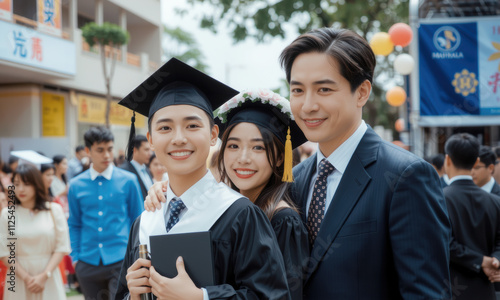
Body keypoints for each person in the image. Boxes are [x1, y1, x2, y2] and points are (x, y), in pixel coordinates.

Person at [279, 27, 451, 299]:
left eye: (324, 89)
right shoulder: (294, 179)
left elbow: (425, 293)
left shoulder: (405, 176)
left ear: (361, 92)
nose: (307, 105)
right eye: (297, 90)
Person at [115, 58, 290, 300]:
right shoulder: (144, 222)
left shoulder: (240, 216)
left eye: (192, 126)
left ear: (213, 134)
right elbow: (123, 293)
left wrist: (202, 297)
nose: (178, 138)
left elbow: (271, 296)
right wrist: (131, 297)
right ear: (151, 140)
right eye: (165, 128)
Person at [145, 89, 310, 299]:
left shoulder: (282, 220)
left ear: (280, 158)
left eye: (258, 148)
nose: (243, 158)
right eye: (233, 145)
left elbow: (281, 293)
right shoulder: (224, 208)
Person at [68, 127, 144, 300]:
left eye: (110, 149)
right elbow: (74, 223)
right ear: (88, 151)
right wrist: (75, 258)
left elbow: (138, 220)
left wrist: (135, 257)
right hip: (87, 262)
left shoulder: (128, 181)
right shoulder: (76, 185)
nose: (107, 155)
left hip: (121, 261)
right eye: (100, 150)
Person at [442, 133, 500, 300]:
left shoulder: (437, 199)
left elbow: (444, 242)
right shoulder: (496, 201)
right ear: (476, 161)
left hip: (451, 290)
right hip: (487, 290)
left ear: (448, 160)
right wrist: (495, 259)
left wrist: (480, 260)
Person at [0, 164, 71, 300]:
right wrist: (27, 278)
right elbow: (4, 252)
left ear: (36, 184)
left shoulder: (54, 210)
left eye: (26, 184)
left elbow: (62, 247)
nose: (21, 189)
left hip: (48, 276)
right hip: (18, 277)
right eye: (16, 184)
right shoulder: (6, 214)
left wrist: (44, 275)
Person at [120, 135, 154, 199]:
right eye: (146, 150)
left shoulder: (147, 169)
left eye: (150, 150)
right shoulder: (124, 171)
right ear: (135, 150)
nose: (150, 153)